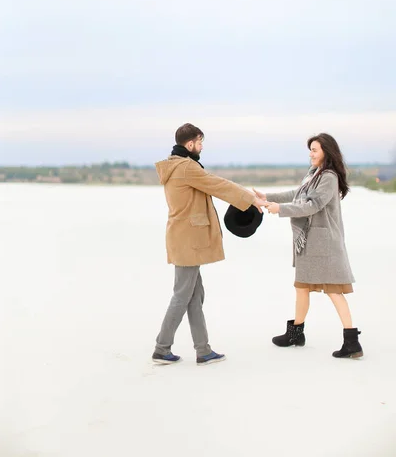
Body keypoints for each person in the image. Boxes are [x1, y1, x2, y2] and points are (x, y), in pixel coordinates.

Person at [152, 123, 265, 366]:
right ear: (190, 144)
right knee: (183, 295)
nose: (202, 146)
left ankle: (203, 350)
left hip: (184, 238)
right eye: (200, 142)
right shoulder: (185, 167)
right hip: (187, 240)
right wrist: (250, 199)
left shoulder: (178, 166)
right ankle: (162, 348)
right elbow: (217, 184)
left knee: (194, 294)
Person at [255, 133, 363, 359]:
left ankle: (352, 342)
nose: (311, 154)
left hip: (324, 244)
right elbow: (297, 194)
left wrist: (280, 210)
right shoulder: (314, 173)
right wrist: (268, 197)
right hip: (309, 242)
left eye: (315, 150)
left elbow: (311, 205)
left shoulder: (329, 177)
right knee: (302, 287)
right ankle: (296, 333)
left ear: (327, 152)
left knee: (334, 291)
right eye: (310, 150)